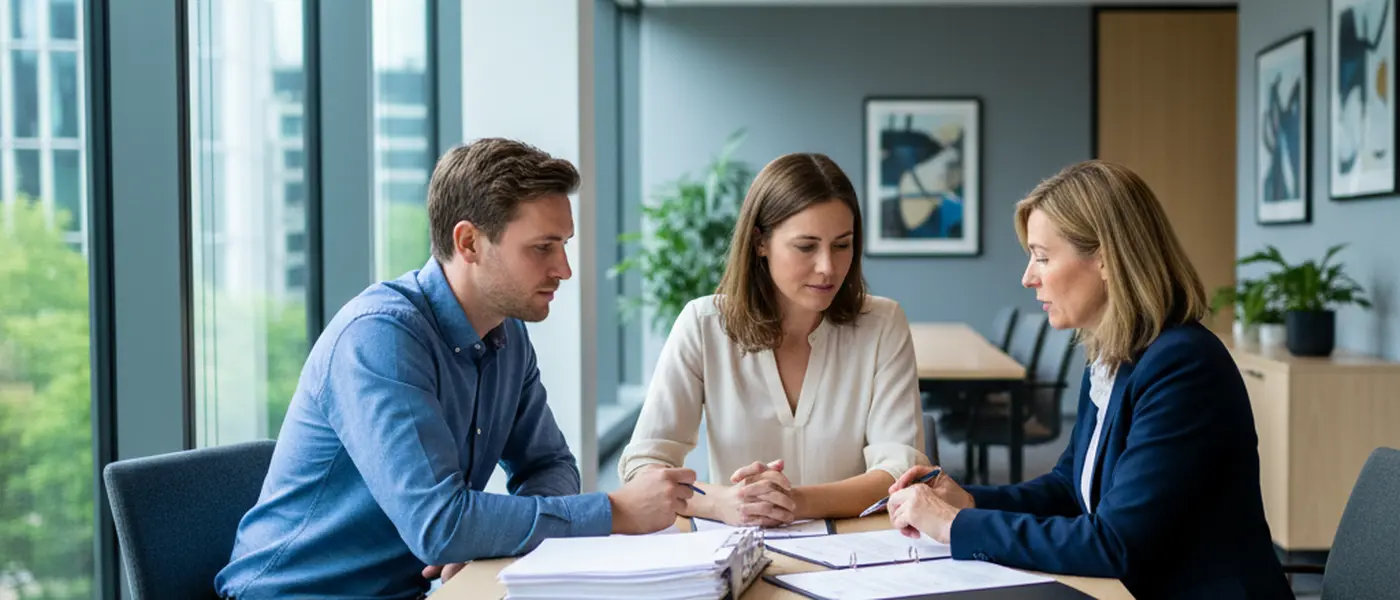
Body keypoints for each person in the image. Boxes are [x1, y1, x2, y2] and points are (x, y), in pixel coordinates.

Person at [215, 138, 696, 600]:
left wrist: (490, 537)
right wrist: (613, 511)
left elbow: (547, 465)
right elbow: (442, 526)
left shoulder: (508, 335)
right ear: (468, 242)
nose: (564, 269)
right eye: (542, 248)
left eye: (564, 245)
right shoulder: (380, 338)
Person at [883, 160, 1293, 599]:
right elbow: (1069, 488)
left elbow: (1115, 545)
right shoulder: (1113, 354)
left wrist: (954, 526)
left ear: (1106, 259)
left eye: (1042, 257)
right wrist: (968, 502)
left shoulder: (1182, 366)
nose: (1028, 277)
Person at [617, 152, 929, 527]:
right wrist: (720, 503)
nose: (828, 267)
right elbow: (644, 467)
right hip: (735, 546)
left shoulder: (882, 324)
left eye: (842, 245)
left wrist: (792, 501)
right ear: (759, 242)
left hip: (853, 550)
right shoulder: (703, 324)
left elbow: (901, 474)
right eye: (806, 246)